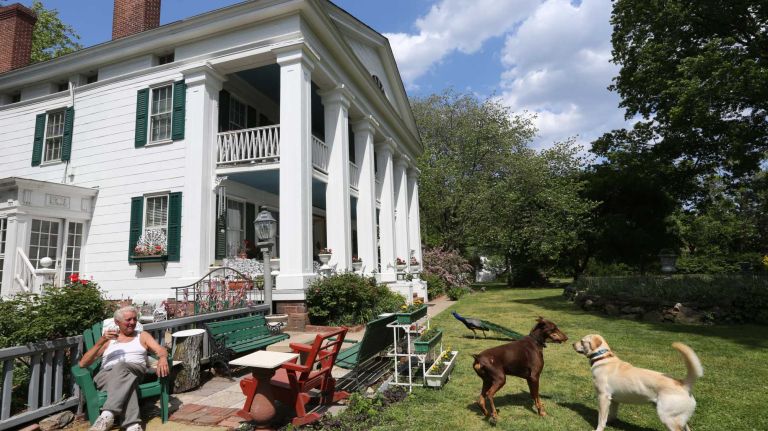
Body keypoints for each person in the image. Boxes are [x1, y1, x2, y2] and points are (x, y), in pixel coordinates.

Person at [78, 306, 169, 431]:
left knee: (121, 366)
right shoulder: (108, 341)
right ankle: (132, 426)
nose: (132, 322)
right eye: (128, 320)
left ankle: (107, 415)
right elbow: (83, 363)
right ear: (117, 322)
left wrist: (163, 358)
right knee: (127, 382)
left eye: (134, 319)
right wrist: (101, 340)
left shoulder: (142, 336)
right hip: (106, 375)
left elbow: (160, 350)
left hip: (135, 370)